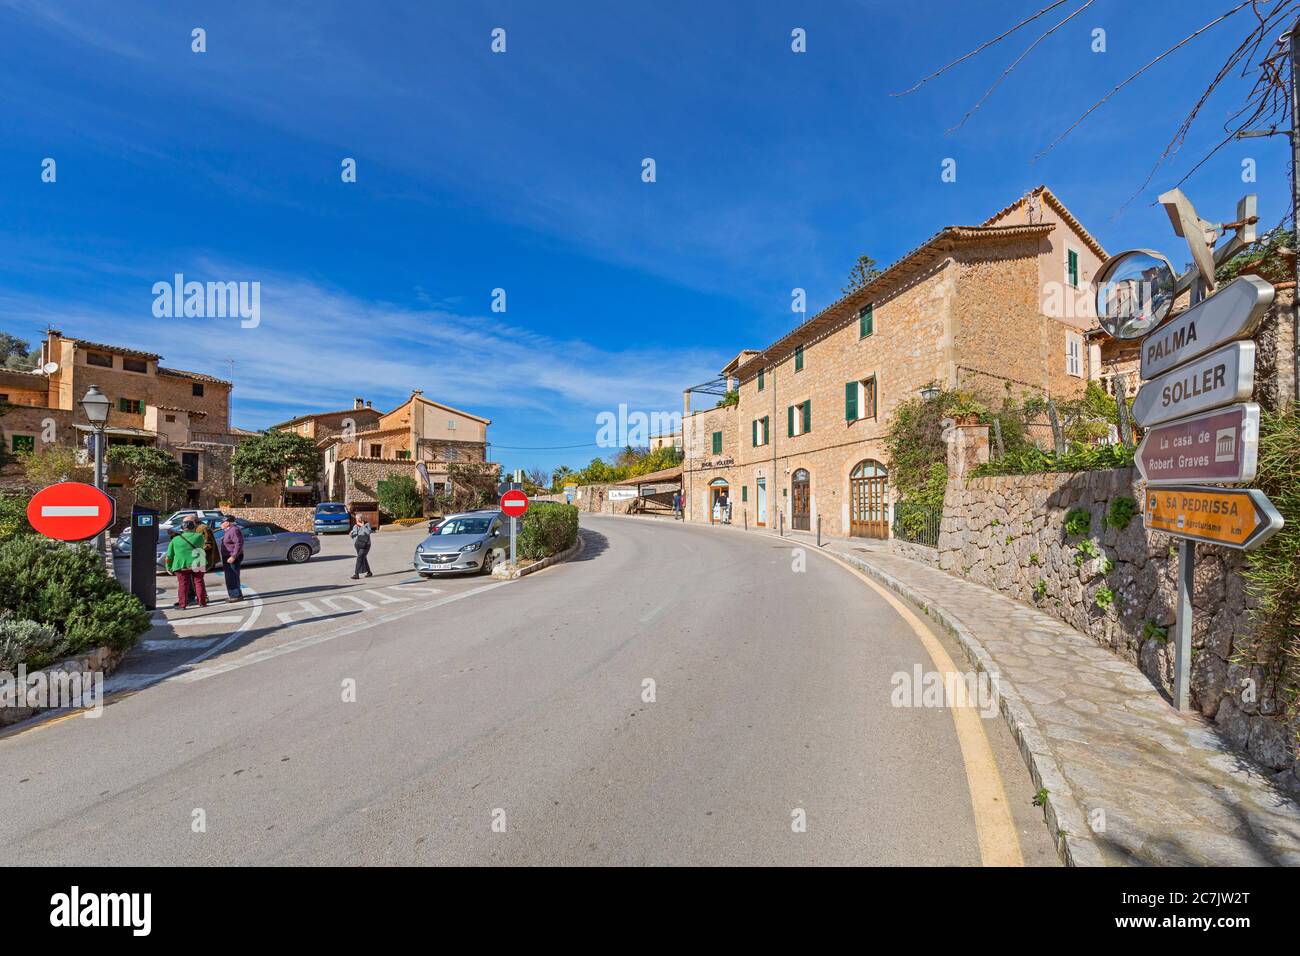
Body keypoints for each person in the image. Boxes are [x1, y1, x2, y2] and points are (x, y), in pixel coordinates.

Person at [165, 518, 209, 609]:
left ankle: (182, 605)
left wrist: (168, 567)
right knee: (199, 582)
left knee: (183, 585)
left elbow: (169, 555)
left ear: (182, 528)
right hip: (198, 563)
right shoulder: (199, 536)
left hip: (181, 565)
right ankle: (202, 602)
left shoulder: (175, 540)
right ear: (194, 527)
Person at [218, 515, 244, 602]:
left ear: (227, 523)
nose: (221, 524)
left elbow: (239, 543)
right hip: (229, 556)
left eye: (222, 522)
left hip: (232, 556)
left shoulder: (234, 530)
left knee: (232, 577)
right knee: (231, 577)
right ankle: (236, 594)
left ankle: (235, 595)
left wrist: (233, 556)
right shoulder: (229, 530)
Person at [350, 511, 373, 579]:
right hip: (358, 545)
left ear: (361, 518)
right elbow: (354, 535)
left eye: (358, 518)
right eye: (356, 518)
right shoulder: (355, 526)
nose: (357, 520)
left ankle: (356, 574)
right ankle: (369, 572)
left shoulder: (366, 525)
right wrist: (351, 535)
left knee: (359, 558)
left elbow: (368, 532)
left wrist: (362, 526)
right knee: (363, 558)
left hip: (366, 544)